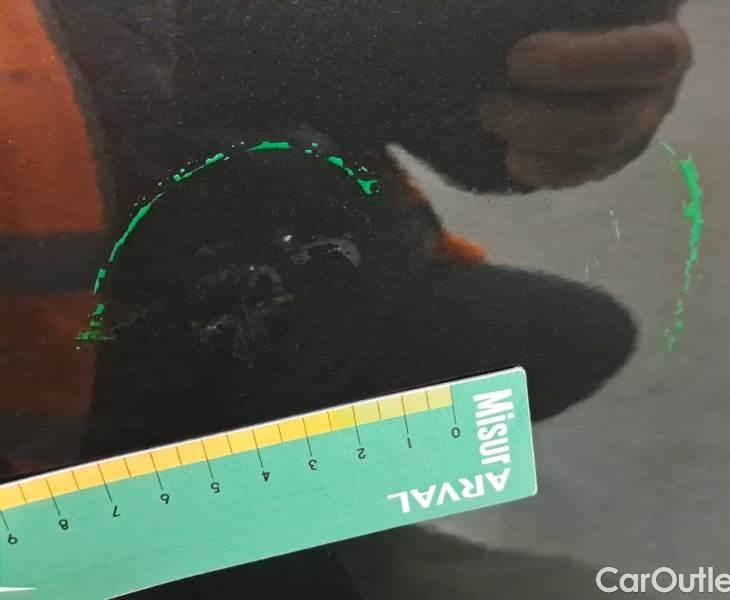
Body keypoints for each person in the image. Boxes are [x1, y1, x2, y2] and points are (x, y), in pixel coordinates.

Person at [1, 0, 692, 596]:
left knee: (562, 340)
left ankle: (275, 525)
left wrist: (469, 101)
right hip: (53, 468)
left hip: (252, 321)